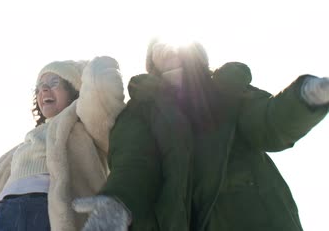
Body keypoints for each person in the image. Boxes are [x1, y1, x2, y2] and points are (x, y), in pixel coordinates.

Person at [75, 39, 329, 231]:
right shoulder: (141, 109)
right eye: (158, 45)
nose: (168, 49)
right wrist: (118, 201)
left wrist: (305, 97)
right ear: (151, 58)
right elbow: (134, 163)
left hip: (252, 216)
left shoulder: (227, 88)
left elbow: (266, 121)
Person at [0, 56, 125, 231]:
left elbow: (101, 96)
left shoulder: (84, 124)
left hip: (45, 208)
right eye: (38, 88)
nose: (43, 89)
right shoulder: (22, 146)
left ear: (75, 88)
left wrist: (94, 70)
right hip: (6, 212)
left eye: (53, 82)